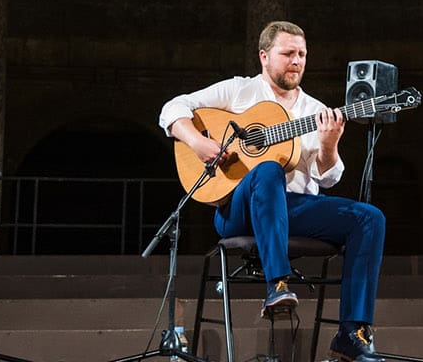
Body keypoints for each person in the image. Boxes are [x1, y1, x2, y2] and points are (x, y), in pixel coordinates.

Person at [159, 20, 387, 362]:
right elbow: (172, 108)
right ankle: (277, 284)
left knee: (369, 218)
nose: (296, 61)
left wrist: (329, 145)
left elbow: (328, 179)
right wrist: (199, 142)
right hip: (237, 211)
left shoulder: (315, 111)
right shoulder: (239, 91)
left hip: (290, 209)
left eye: (302, 54)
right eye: (288, 53)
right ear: (264, 56)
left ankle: (352, 333)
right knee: (267, 169)